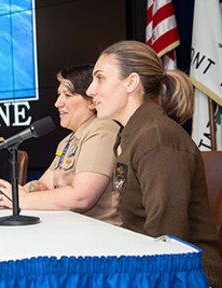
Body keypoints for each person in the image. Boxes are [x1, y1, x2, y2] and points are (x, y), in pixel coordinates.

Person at [86, 40, 222, 287]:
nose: (90, 90)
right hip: (149, 264)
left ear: (131, 82)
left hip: (186, 274)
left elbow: (168, 235)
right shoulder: (133, 133)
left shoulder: (157, 138)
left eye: (100, 78)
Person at [0, 65, 121, 224]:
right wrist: (16, 193)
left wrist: (24, 200)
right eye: (59, 95)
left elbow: (81, 197)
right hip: (72, 227)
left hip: (101, 236)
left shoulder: (102, 130)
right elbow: (44, 184)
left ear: (92, 101)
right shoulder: (68, 141)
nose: (58, 103)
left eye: (67, 95)